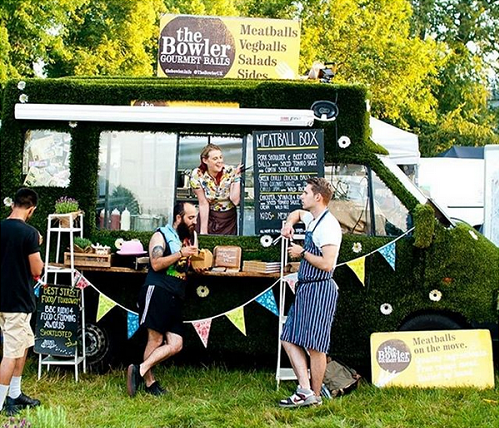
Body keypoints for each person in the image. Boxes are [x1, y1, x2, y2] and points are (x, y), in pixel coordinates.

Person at [278, 177, 342, 408]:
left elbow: (327, 264)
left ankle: (313, 395)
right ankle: (305, 390)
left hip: (320, 288)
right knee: (288, 338)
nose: (301, 196)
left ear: (318, 197)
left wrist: (302, 253)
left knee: (315, 346)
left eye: (305, 193)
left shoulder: (328, 226)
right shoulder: (313, 219)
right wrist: (289, 224)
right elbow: (296, 213)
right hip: (306, 288)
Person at [127, 202, 199, 397]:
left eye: (195, 218)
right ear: (178, 218)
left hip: (176, 295)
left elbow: (186, 265)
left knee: (176, 344)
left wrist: (199, 265)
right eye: (190, 218)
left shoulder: (189, 238)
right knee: (156, 339)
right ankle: (149, 383)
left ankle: (140, 369)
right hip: (158, 290)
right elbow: (156, 264)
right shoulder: (161, 235)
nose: (194, 222)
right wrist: (180, 254)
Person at [0, 188, 44, 416]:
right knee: (10, 353)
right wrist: (37, 244)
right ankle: (1, 401)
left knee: (23, 344)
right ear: (32, 209)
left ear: (13, 205)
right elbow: (37, 269)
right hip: (17, 301)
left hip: (4, 298)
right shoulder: (29, 234)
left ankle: (15, 393)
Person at [189, 143, 243, 235]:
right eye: (215, 158)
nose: (219, 161)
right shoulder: (197, 175)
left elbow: (235, 201)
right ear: (205, 160)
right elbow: (203, 203)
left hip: (228, 219)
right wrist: (203, 231)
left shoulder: (230, 171)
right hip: (208, 216)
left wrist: (237, 177)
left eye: (220, 157)